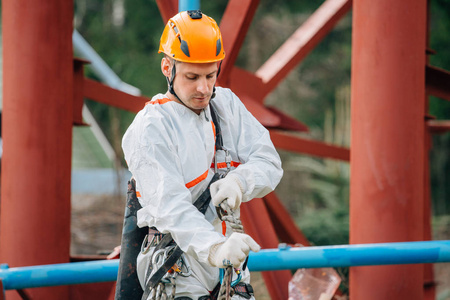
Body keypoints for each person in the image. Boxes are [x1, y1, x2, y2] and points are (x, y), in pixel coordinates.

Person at [122, 10, 283, 300]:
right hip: (177, 267)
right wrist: (213, 249)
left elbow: (269, 162)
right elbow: (170, 206)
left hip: (230, 266)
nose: (203, 88)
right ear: (167, 69)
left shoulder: (226, 106)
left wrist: (240, 182)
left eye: (211, 75)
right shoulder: (150, 128)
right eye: (192, 76)